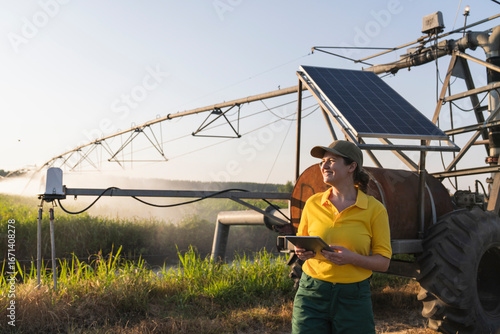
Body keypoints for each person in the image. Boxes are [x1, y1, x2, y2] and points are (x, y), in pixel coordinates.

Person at [291, 140, 392, 334]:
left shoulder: (374, 209)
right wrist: (301, 251)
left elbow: (383, 262)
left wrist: (351, 258)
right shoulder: (313, 203)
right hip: (311, 292)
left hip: (353, 297)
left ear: (351, 166)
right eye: (323, 161)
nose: (324, 166)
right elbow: (302, 242)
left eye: (332, 160)